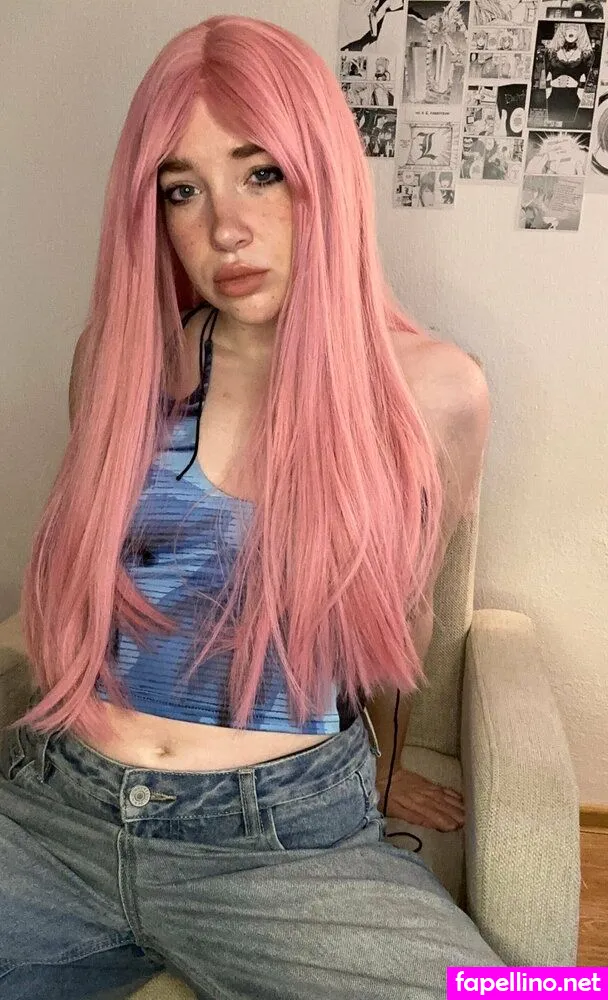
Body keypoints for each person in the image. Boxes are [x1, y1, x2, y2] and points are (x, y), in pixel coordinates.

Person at [0, 14, 504, 999]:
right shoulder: (120, 363)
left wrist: (372, 770)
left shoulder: (436, 392)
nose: (224, 229)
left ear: (325, 178)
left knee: (529, 992)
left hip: (280, 842)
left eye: (261, 173)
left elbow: (403, 617)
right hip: (59, 808)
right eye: (181, 190)